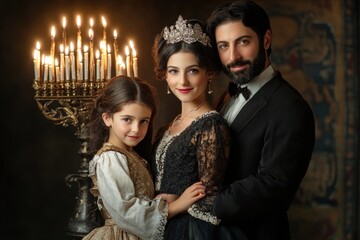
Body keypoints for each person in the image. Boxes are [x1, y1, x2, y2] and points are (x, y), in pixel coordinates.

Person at [206, 1, 316, 240]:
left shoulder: (290, 107)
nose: (233, 56)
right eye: (223, 46)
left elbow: (273, 184)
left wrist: (205, 203)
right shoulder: (227, 95)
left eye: (243, 42)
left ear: (266, 40)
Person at [151, 15, 247, 240]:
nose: (182, 81)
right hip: (160, 225)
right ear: (165, 74)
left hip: (190, 230)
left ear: (209, 72)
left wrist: (179, 204)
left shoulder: (211, 126)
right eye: (174, 71)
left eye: (192, 70)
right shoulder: (167, 127)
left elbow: (213, 195)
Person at [82, 76, 206, 240]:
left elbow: (137, 197)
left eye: (144, 121)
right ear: (107, 118)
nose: (136, 129)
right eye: (127, 119)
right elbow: (126, 211)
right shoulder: (110, 159)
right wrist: (176, 206)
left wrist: (159, 200)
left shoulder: (130, 155)